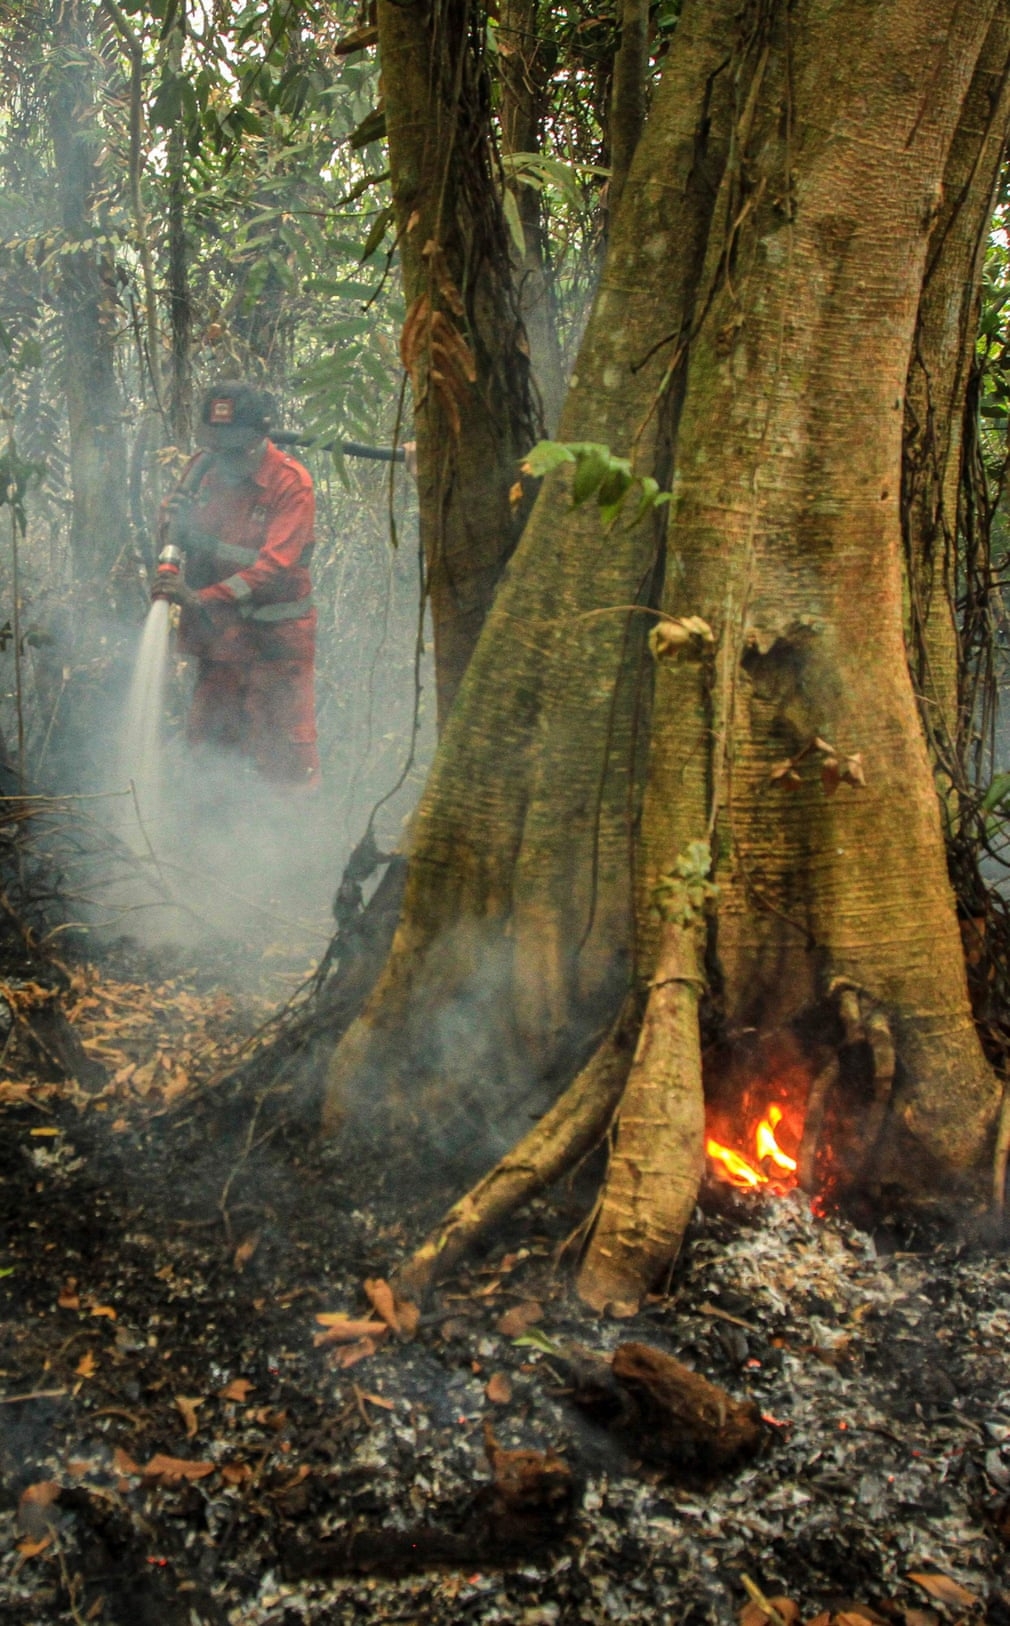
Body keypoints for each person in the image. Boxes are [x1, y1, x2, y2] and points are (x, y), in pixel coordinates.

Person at [153, 382, 320, 792]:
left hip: (276, 640)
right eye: (217, 444)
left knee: (283, 746)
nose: (223, 457)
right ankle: (214, 829)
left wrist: (201, 599)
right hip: (222, 635)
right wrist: (169, 521)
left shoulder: (290, 484)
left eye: (234, 448)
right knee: (211, 739)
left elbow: (274, 567)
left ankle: (296, 835)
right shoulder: (202, 471)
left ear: (260, 438)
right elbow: (176, 537)